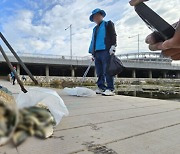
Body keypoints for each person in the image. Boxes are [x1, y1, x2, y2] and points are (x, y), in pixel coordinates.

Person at [89, 8, 117, 96]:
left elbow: (113, 34)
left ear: (102, 16)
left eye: (97, 16)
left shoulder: (108, 24)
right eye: (94, 17)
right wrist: (92, 53)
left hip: (106, 50)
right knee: (99, 71)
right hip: (97, 52)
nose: (96, 18)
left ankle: (110, 88)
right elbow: (93, 41)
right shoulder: (94, 29)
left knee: (107, 70)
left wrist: (113, 45)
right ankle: (101, 87)